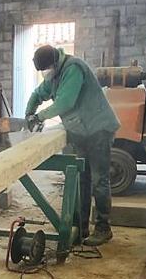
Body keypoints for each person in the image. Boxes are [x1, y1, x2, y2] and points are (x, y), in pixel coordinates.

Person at [25, 45, 120, 246]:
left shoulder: (73, 68)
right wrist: (28, 115)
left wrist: (39, 116)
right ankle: (81, 227)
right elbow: (37, 94)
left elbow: (65, 103)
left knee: (98, 181)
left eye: (46, 69)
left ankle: (103, 228)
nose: (45, 74)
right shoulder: (53, 75)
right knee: (82, 180)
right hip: (80, 131)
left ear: (54, 62)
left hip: (98, 129)